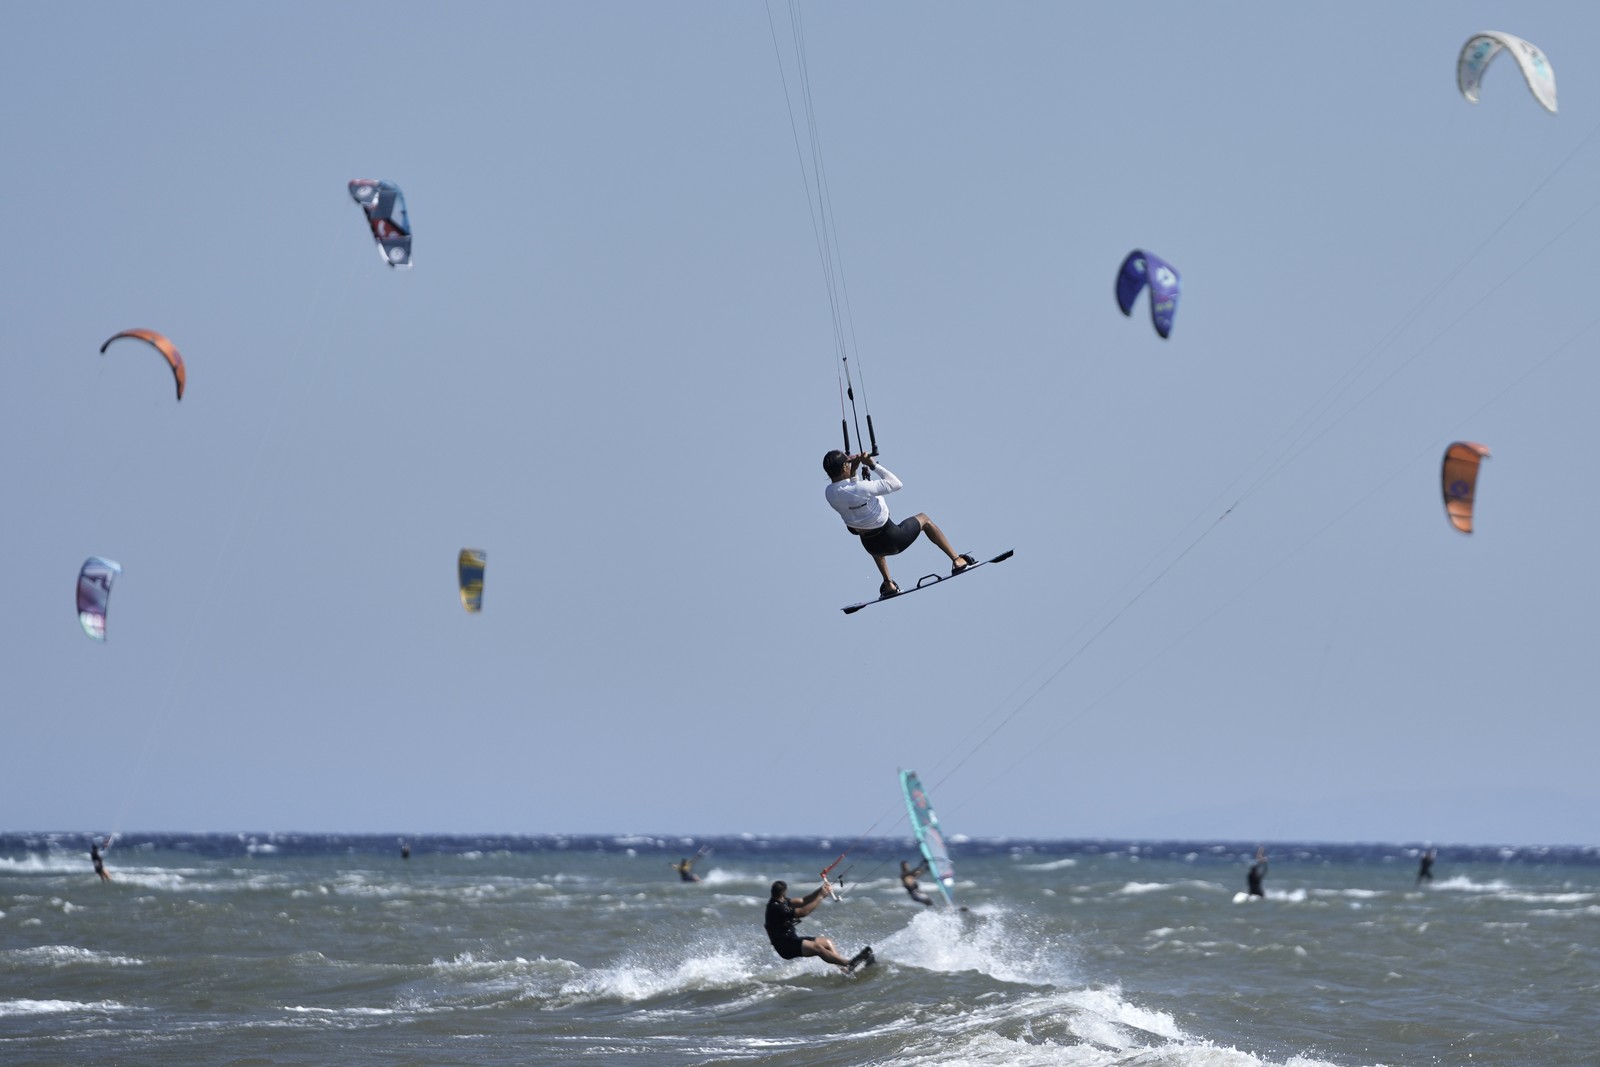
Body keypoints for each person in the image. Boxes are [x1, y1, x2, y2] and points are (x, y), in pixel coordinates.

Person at [823, 450, 973, 598]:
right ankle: (957, 560)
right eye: (848, 463)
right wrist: (873, 465)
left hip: (871, 547)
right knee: (924, 519)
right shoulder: (861, 488)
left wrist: (854, 471)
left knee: (868, 531)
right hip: (893, 539)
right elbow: (896, 484)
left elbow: (852, 493)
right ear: (843, 468)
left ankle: (888, 584)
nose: (850, 464)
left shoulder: (829, 493)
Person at [764, 877, 870, 972]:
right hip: (785, 946)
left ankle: (844, 969)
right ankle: (848, 963)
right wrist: (820, 897)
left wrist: (820, 890)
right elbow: (803, 912)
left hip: (791, 939)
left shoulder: (782, 900)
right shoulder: (776, 907)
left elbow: (803, 901)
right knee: (818, 948)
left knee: (827, 942)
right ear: (784, 892)